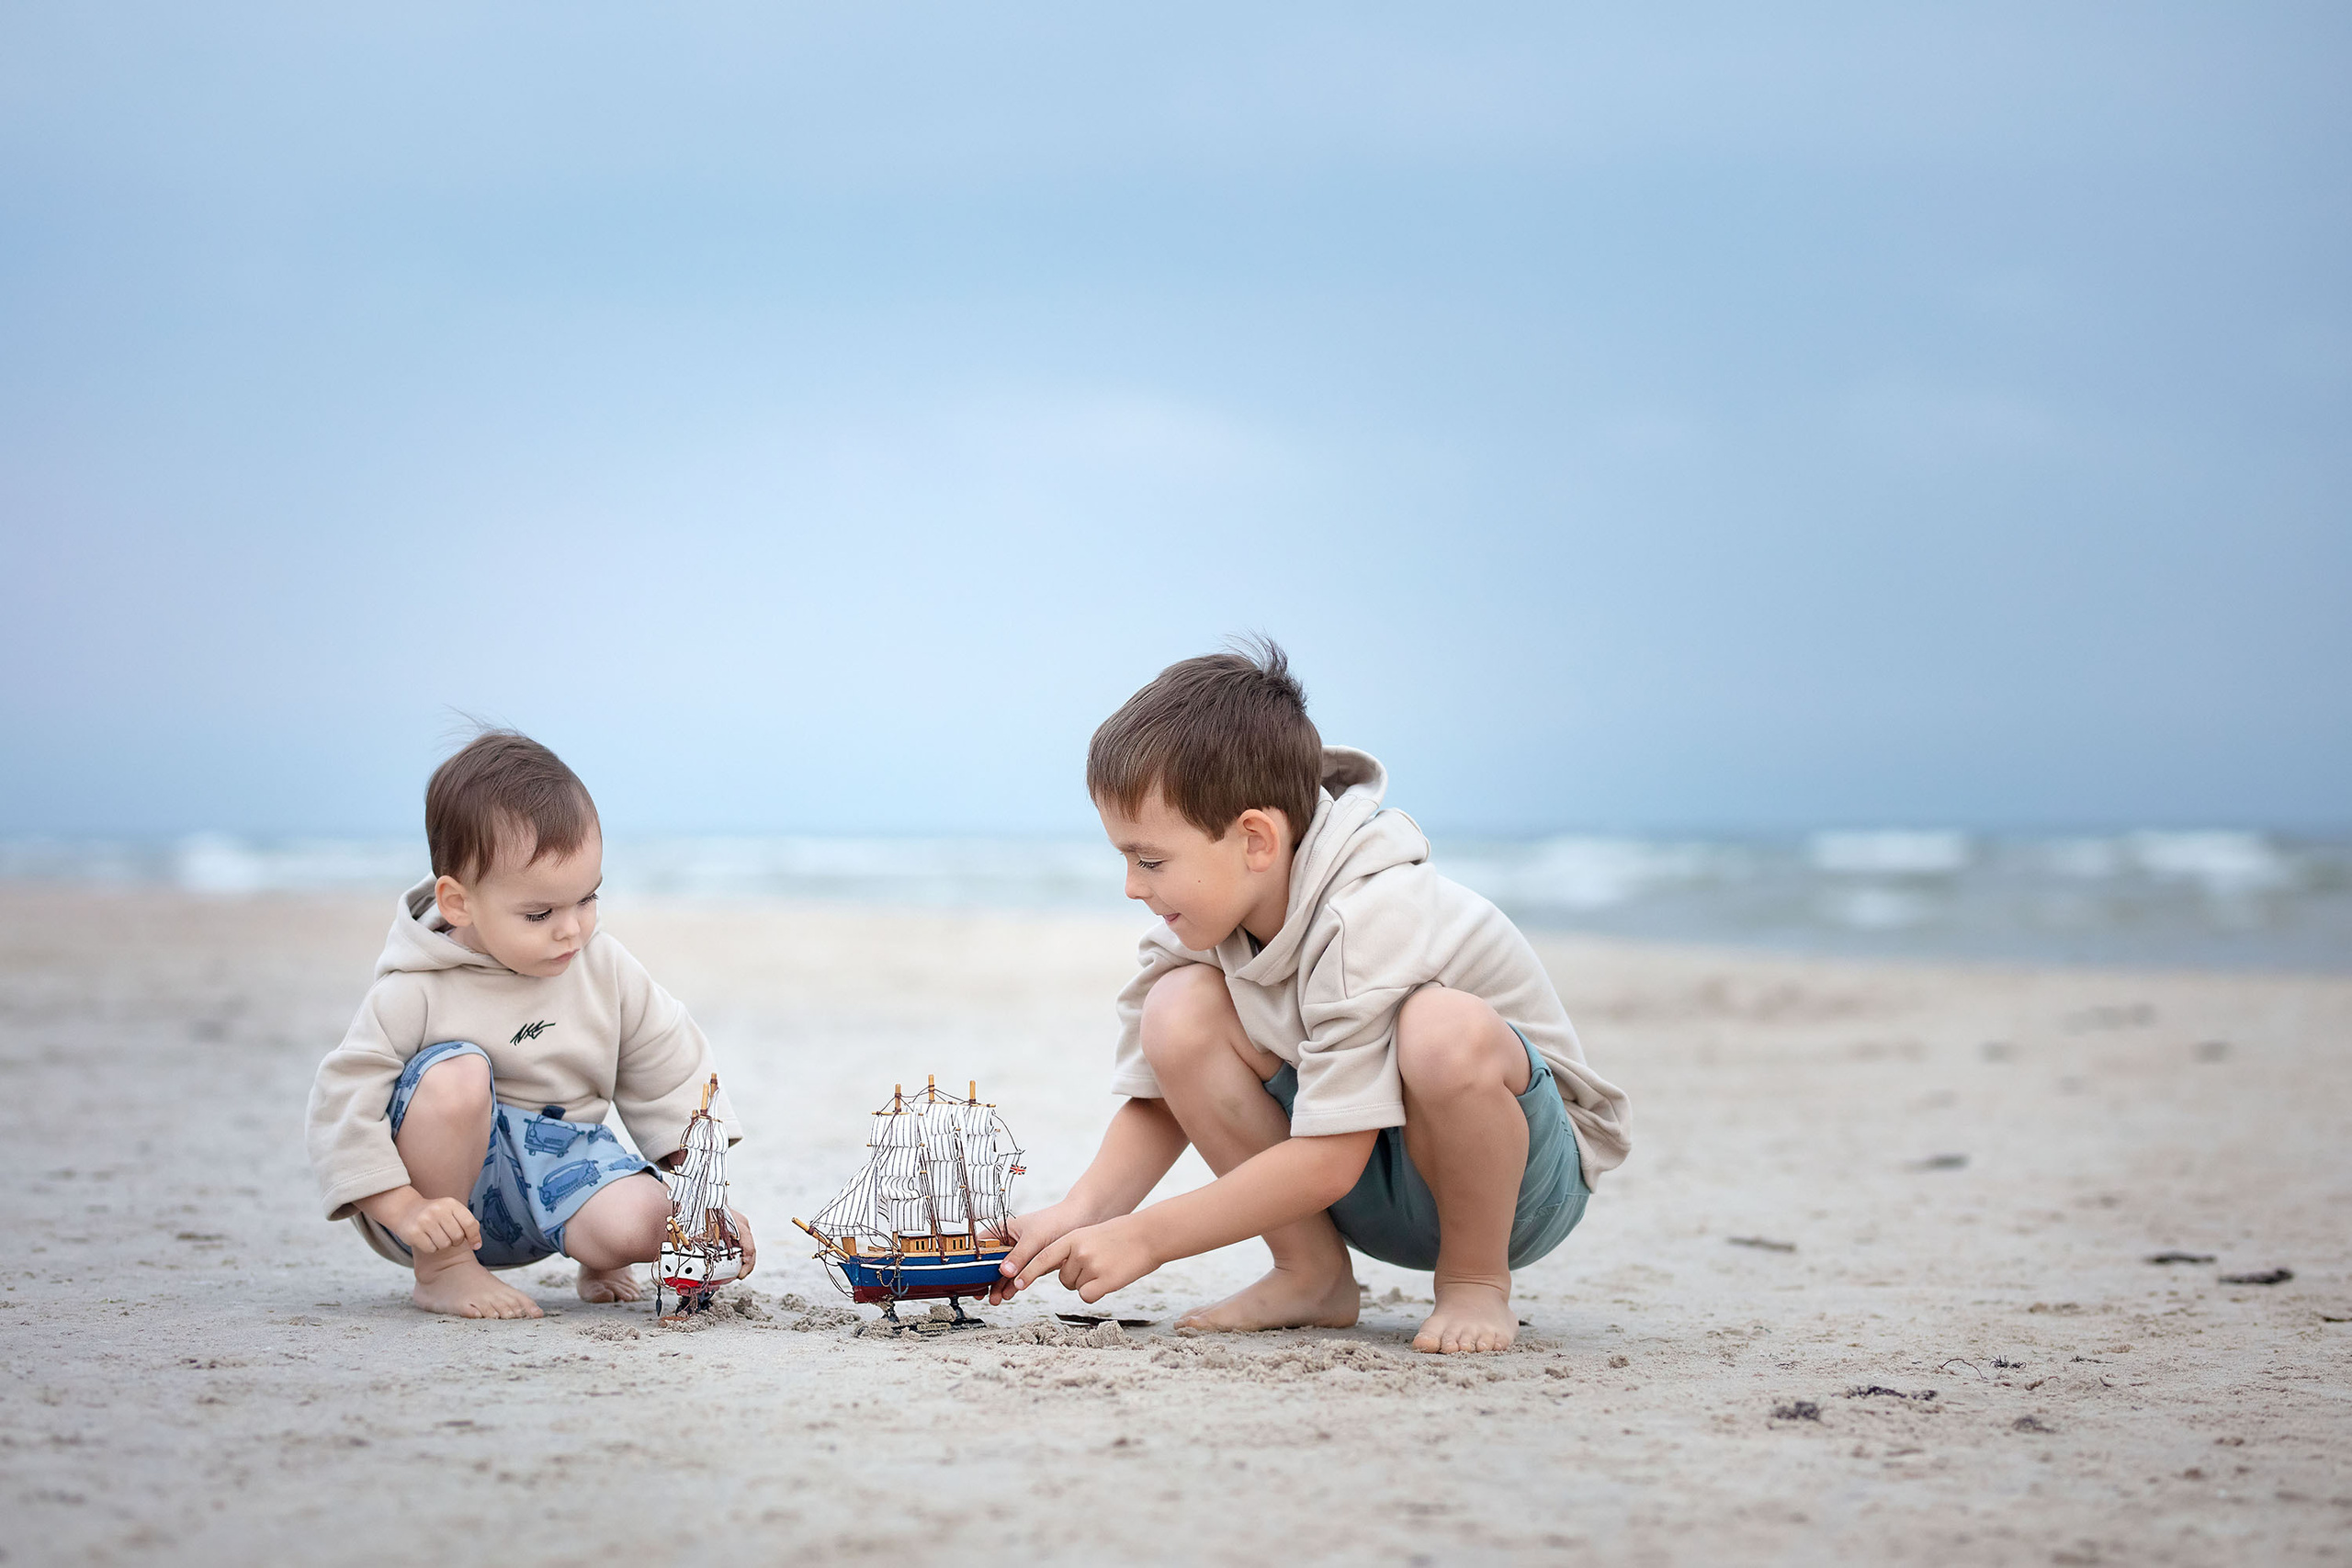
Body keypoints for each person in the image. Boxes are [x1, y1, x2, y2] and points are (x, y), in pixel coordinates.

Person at [992, 641, 1628, 1352]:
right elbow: (1160, 1100)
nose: (1133, 886)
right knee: (1176, 1009)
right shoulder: (1205, 918)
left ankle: (1475, 1282)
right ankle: (1311, 1271)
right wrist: (1079, 1212)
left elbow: (1330, 1158)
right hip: (1366, 1184)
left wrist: (1147, 1237)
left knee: (1440, 1028)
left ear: (1255, 840)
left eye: (1150, 859)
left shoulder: (1367, 911)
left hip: (1519, 1189)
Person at [306, 729, 752, 1319]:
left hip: (566, 1171)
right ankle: (444, 1273)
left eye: (587, 899)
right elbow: (344, 1099)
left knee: (660, 1226)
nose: (572, 929)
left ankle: (603, 1255)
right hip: (435, 1205)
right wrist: (401, 1206)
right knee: (457, 1073)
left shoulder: (604, 967)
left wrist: (700, 1195)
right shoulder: (414, 988)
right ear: (459, 902)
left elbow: (667, 1065)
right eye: (539, 913)